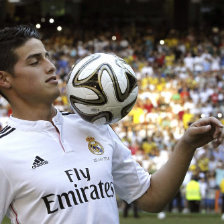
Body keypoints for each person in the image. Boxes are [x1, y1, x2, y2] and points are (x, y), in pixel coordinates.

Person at [0, 25, 223, 224]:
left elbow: (151, 196)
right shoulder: (5, 152)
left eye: (47, 57)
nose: (50, 66)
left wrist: (187, 145)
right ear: (4, 79)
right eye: (35, 61)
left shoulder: (94, 125)